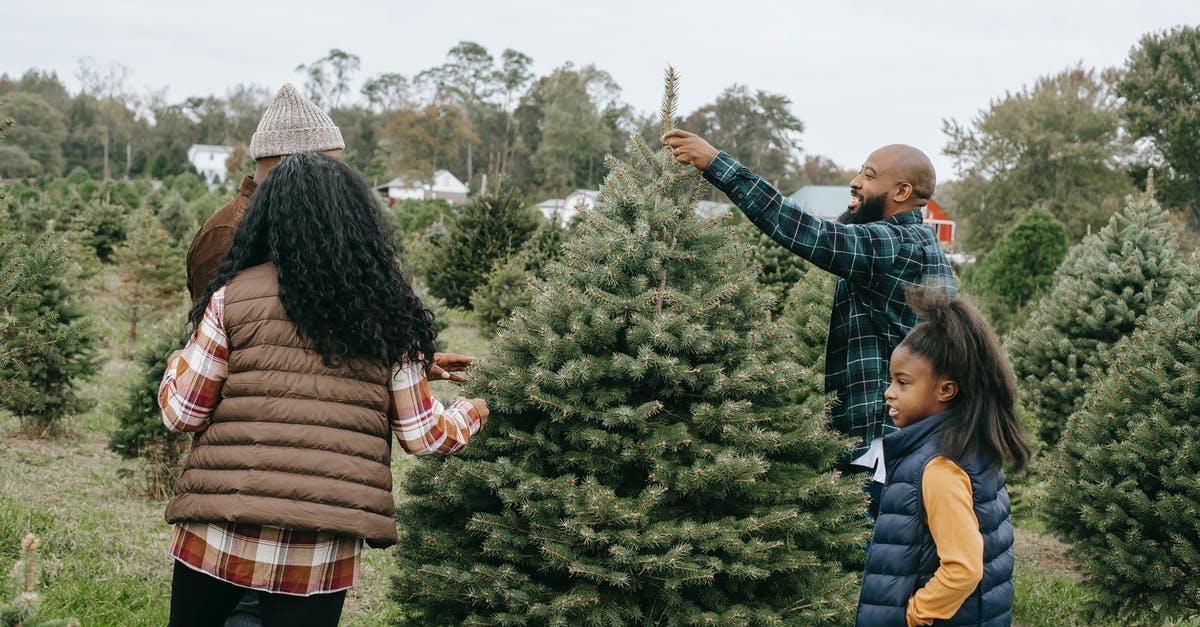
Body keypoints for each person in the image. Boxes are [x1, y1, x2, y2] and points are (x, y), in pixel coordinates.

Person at [159, 152, 490, 627]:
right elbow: (424, 435)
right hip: (317, 550)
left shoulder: (233, 296)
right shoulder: (388, 309)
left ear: (267, 217)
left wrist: (177, 362)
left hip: (219, 532)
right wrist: (476, 409)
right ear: (354, 218)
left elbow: (182, 413)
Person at [663, 130, 956, 517]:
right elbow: (834, 228)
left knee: (872, 554)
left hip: (880, 441)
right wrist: (857, 205)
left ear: (901, 192)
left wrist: (718, 165)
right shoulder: (917, 243)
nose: (855, 182)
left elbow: (806, 231)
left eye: (868, 176)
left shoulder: (893, 246)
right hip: (905, 437)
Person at [856, 287, 1029, 626]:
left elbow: (963, 568)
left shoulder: (939, 468)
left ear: (946, 390)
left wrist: (914, 615)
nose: (889, 392)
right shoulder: (967, 442)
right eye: (891, 380)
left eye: (903, 383)